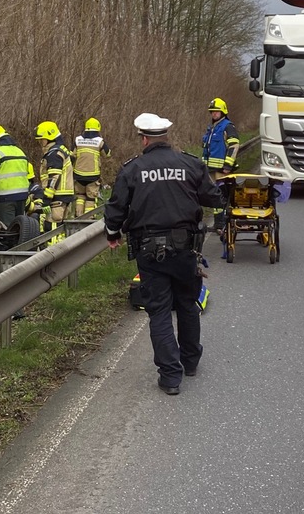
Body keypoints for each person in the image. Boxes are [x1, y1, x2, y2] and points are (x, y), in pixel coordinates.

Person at [105, 113, 222, 395]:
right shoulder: (190, 164)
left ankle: (170, 377)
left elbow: (116, 208)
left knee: (158, 311)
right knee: (187, 303)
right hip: (186, 248)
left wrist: (112, 234)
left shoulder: (133, 169)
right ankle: (190, 362)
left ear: (144, 139)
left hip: (149, 250)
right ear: (165, 137)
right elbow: (213, 197)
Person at [201, 97, 240, 238]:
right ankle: (218, 223)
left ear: (223, 111)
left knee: (223, 196)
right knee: (215, 197)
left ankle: (225, 223)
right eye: (212, 112)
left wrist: (228, 165)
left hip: (222, 171)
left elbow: (234, 146)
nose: (214, 114)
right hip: (211, 170)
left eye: (216, 111)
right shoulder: (212, 128)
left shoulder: (227, 126)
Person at [34, 121, 75, 233]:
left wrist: (47, 198)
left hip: (57, 197)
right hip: (64, 195)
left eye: (41, 140)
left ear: (49, 138)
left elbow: (54, 178)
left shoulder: (54, 154)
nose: (40, 143)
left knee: (51, 227)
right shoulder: (62, 149)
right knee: (60, 228)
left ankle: (52, 250)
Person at [73, 117, 111, 218]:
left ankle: (78, 217)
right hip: (92, 175)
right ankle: (88, 219)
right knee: (90, 198)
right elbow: (107, 154)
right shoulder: (99, 141)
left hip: (78, 174)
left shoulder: (78, 140)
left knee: (80, 196)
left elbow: (72, 154)